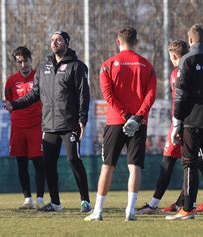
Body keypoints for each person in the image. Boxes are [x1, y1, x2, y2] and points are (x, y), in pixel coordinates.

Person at [3, 31, 91, 213]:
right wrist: (15, 104)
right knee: (48, 164)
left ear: (67, 42)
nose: (54, 42)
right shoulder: (44, 67)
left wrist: (82, 119)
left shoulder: (77, 66)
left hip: (69, 124)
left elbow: (84, 95)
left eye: (58, 39)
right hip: (49, 125)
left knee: (74, 159)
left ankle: (85, 201)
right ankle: (56, 203)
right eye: (52, 40)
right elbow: (34, 94)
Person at [84, 26, 156, 221]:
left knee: (108, 166)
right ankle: (130, 211)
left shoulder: (108, 64)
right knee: (134, 167)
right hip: (139, 123)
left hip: (116, 120)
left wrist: (125, 115)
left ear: (118, 41)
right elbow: (151, 96)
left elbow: (108, 95)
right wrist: (138, 117)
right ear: (137, 42)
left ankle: (98, 211)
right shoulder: (147, 65)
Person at [137, 40, 203, 215]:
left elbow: (181, 101)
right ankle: (184, 201)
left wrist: (178, 125)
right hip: (194, 122)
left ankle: (154, 204)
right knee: (196, 164)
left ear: (174, 56)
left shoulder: (177, 72)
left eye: (171, 57)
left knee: (172, 163)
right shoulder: (196, 70)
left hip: (182, 124)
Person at [165, 24, 203, 220]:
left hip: (192, 121)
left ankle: (187, 208)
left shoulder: (187, 60)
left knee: (189, 163)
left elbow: (181, 93)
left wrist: (177, 121)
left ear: (190, 40)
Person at [4, 46, 45, 209]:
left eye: (25, 60)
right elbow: (8, 102)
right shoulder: (11, 81)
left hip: (36, 126)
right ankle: (27, 199)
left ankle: (40, 199)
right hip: (18, 127)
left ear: (30, 59)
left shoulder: (39, 76)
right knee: (21, 163)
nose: (23, 65)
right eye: (19, 62)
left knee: (38, 163)